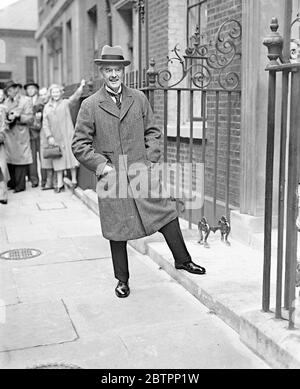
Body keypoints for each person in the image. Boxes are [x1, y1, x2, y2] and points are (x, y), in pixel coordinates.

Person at [72, 45, 206, 299]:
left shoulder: (139, 99)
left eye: (117, 70)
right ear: (102, 72)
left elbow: (153, 132)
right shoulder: (90, 105)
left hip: (141, 171)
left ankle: (183, 260)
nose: (113, 74)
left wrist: (149, 159)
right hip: (111, 177)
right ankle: (122, 280)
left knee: (165, 212)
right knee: (117, 228)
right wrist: (102, 166)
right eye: (108, 70)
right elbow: (79, 144)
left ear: (124, 71)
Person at [42, 81, 85, 193]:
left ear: (60, 93)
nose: (55, 94)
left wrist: (81, 87)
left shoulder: (65, 103)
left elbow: (75, 98)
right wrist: (49, 136)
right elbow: (45, 123)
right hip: (55, 137)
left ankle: (74, 180)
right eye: (53, 92)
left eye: (57, 92)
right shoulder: (47, 107)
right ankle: (59, 184)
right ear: (50, 93)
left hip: (67, 135)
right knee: (58, 159)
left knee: (71, 158)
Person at [4, 80, 33, 193]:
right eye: (7, 90)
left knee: (20, 160)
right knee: (10, 160)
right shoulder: (6, 101)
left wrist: (18, 116)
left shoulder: (26, 101)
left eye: (11, 89)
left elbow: (30, 118)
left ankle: (20, 186)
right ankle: (12, 183)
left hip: (20, 133)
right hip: (9, 133)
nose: (9, 92)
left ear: (16, 89)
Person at [24, 80, 47, 188]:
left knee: (43, 157)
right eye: (28, 89)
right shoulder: (24, 101)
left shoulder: (42, 99)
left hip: (41, 131)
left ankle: (44, 180)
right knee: (32, 158)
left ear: (36, 89)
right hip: (29, 133)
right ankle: (34, 180)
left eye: (32, 88)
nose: (30, 90)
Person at [0, 89, 9, 204]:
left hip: (0, 142)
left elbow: (5, 126)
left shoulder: (4, 109)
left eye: (1, 95)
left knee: (2, 168)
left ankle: (3, 194)